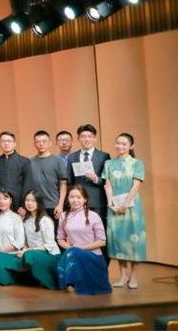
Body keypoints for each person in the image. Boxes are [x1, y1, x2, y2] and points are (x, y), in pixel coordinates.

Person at [102, 133, 146, 289]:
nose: (120, 146)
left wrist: (125, 205)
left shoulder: (137, 163)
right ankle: (123, 275)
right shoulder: (109, 163)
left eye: (124, 144)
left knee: (134, 239)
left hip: (132, 207)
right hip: (114, 206)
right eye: (118, 143)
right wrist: (111, 203)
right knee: (118, 239)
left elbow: (135, 186)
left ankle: (133, 276)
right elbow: (107, 185)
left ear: (131, 146)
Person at [56, 186, 110, 295]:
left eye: (79, 197)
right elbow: (60, 239)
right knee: (65, 256)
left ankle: (74, 282)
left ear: (85, 199)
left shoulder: (94, 216)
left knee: (73, 254)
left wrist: (79, 249)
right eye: (72, 197)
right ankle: (71, 282)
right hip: (73, 254)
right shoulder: (63, 216)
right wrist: (70, 248)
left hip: (93, 256)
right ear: (68, 199)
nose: (75, 200)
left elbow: (102, 241)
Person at [69, 124, 110, 258]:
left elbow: (107, 181)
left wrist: (96, 179)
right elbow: (70, 182)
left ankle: (101, 265)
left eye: (90, 136)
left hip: (97, 202)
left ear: (95, 138)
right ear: (78, 138)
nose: (87, 139)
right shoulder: (72, 157)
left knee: (99, 235)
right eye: (83, 136)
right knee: (80, 235)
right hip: (78, 204)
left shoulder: (104, 156)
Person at [19, 190, 60, 289]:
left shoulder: (45, 220)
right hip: (33, 253)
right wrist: (24, 249)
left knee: (29, 255)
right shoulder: (26, 220)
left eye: (33, 201)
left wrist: (29, 250)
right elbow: (26, 242)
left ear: (39, 202)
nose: (29, 203)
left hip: (49, 254)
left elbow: (50, 245)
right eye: (27, 200)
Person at [28, 131, 68, 224]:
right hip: (35, 205)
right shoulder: (29, 162)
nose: (41, 144)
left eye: (44, 141)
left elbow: (63, 184)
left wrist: (60, 205)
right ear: (34, 144)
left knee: (54, 232)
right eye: (38, 142)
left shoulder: (58, 161)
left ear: (50, 143)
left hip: (53, 205)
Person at [0, 132, 32, 212]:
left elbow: (28, 184)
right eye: (3, 141)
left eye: (9, 141)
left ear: (14, 144)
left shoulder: (24, 161)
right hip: (0, 203)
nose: (6, 144)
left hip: (18, 203)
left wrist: (24, 205)